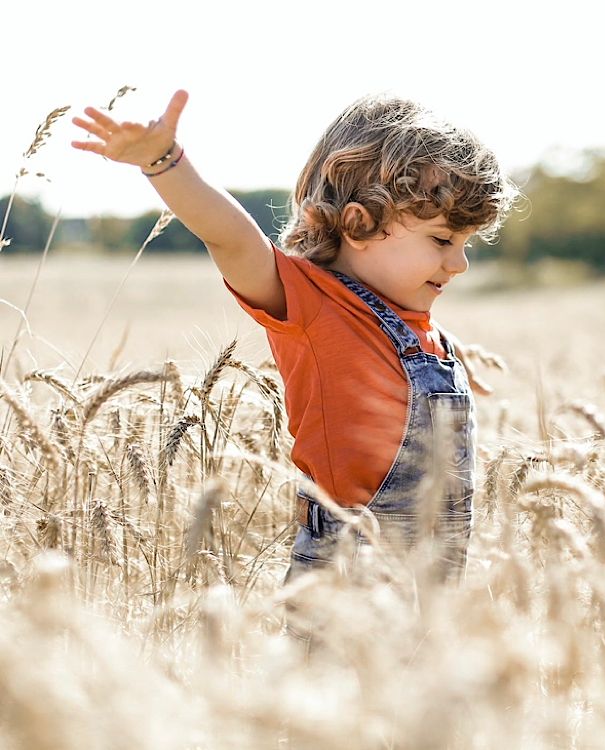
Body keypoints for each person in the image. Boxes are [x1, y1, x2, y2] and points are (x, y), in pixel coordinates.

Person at [71, 90, 519, 583]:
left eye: (465, 243)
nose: (460, 263)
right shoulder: (313, 305)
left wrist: (451, 366)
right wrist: (163, 161)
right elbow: (233, 238)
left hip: (433, 582)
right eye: (442, 240)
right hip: (347, 576)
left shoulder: (418, 326)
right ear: (358, 223)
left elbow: (397, 362)